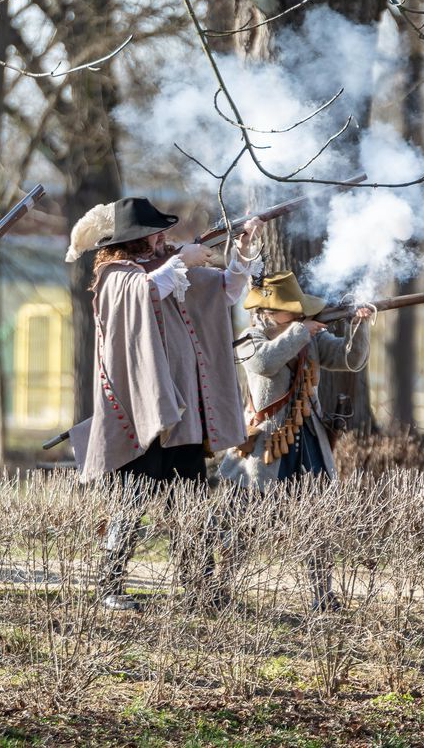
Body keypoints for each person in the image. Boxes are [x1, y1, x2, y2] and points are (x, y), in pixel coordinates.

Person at [66, 196, 258, 610]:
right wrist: (184, 260)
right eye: (157, 232)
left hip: (182, 411)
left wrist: (241, 250)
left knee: (190, 500)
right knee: (133, 501)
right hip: (142, 411)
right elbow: (147, 290)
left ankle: (201, 587)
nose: (164, 237)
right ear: (137, 239)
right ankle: (110, 586)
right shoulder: (116, 275)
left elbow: (226, 290)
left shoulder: (169, 269)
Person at [217, 271, 372, 611]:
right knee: (243, 521)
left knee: (315, 517)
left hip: (308, 437)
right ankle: (220, 588)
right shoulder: (251, 338)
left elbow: (350, 360)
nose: (300, 312)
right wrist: (302, 331)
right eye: (292, 308)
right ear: (269, 311)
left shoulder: (308, 337)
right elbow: (265, 363)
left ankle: (322, 594)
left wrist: (360, 325)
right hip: (265, 445)